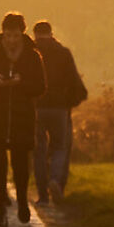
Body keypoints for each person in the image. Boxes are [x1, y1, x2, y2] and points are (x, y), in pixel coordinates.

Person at [0, 12, 47, 227]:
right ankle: (0, 210)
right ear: (3, 33)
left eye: (16, 36)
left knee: (21, 165)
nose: (12, 40)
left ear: (22, 34)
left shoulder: (32, 56)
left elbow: (40, 87)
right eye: (8, 35)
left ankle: (22, 201)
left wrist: (22, 82)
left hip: (22, 118)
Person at [29, 20, 89, 206]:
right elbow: (74, 82)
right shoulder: (63, 53)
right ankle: (55, 180)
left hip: (37, 108)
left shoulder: (31, 53)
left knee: (39, 151)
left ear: (34, 34)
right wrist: (69, 102)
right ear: (51, 33)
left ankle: (43, 196)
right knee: (59, 147)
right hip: (59, 108)